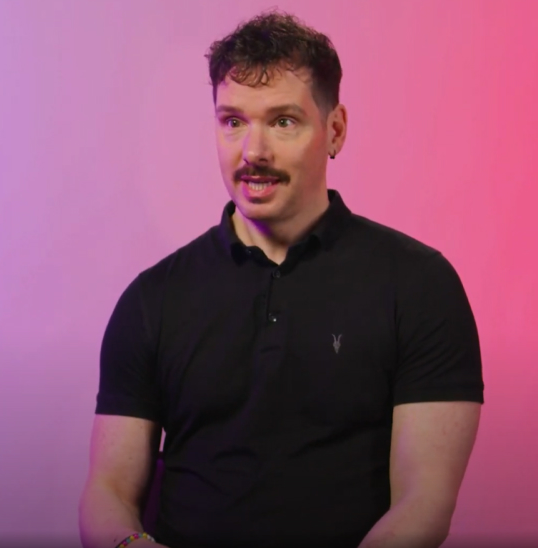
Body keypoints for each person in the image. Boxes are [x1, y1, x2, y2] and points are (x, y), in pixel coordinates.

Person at [79, 10, 484, 548]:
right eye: (233, 121)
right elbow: (107, 491)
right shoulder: (153, 298)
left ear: (334, 129)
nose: (254, 152)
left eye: (283, 121)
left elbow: (424, 504)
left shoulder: (419, 286)